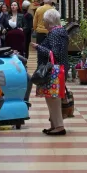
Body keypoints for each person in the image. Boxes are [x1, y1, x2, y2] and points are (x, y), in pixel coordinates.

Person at [32, 8, 68, 136]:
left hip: (54, 71)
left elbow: (54, 53)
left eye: (45, 21)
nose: (44, 24)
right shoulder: (61, 32)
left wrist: (38, 47)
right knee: (52, 97)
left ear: (49, 22)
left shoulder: (54, 34)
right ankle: (54, 125)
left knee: (53, 99)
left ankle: (58, 126)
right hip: (60, 69)